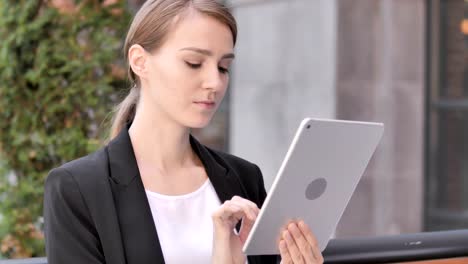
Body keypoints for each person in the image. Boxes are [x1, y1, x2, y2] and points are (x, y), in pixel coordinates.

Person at [43, 0, 324, 263]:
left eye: (224, 67)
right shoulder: (77, 189)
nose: (214, 82)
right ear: (139, 61)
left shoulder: (245, 178)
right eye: (194, 63)